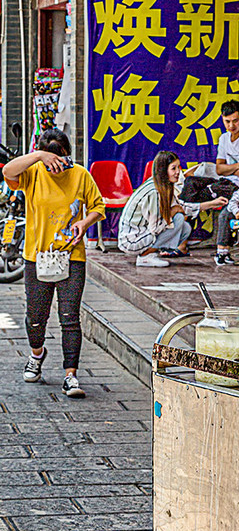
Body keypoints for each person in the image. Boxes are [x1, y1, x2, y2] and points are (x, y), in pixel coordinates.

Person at [3, 129, 105, 398]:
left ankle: (71, 375)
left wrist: (85, 222)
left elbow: (98, 206)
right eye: (52, 164)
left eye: (62, 163)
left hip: (71, 257)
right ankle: (36, 355)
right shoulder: (33, 173)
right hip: (37, 257)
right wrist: (38, 157)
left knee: (69, 318)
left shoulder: (81, 175)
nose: (57, 169)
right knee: (36, 318)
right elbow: (8, 172)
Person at [118, 151, 227, 267]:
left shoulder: (165, 185)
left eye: (178, 167)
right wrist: (173, 212)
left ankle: (151, 254)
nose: (178, 172)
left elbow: (183, 207)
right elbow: (155, 228)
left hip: (144, 234)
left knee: (185, 228)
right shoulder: (154, 191)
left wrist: (212, 203)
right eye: (173, 169)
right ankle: (145, 257)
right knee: (178, 219)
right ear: (163, 170)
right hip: (131, 240)